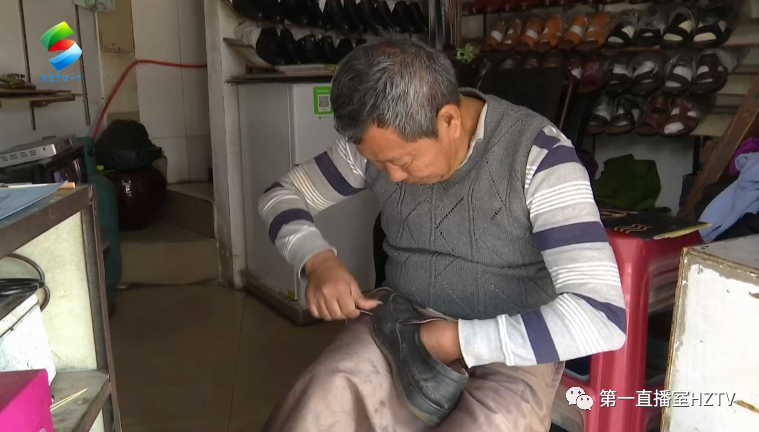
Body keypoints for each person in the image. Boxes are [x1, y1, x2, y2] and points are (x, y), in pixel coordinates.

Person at [257, 39, 626, 432]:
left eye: (401, 161)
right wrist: (317, 259)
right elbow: (280, 196)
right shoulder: (377, 144)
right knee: (321, 398)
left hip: (512, 344)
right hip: (400, 325)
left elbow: (601, 315)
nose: (392, 176)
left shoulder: (542, 158)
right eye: (378, 162)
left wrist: (458, 340)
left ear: (448, 120)